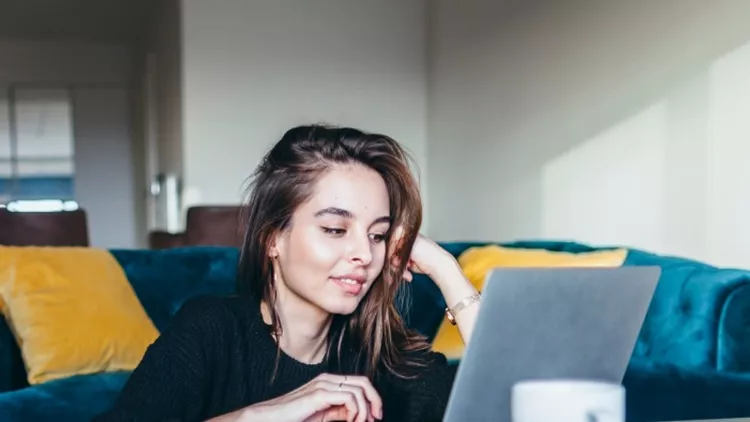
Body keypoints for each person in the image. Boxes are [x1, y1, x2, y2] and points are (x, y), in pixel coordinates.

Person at [94, 124, 482, 422]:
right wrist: (264, 415)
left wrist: (447, 270)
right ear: (272, 239)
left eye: (378, 235)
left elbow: (522, 405)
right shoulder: (211, 330)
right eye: (334, 230)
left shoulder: (385, 356)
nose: (364, 253)